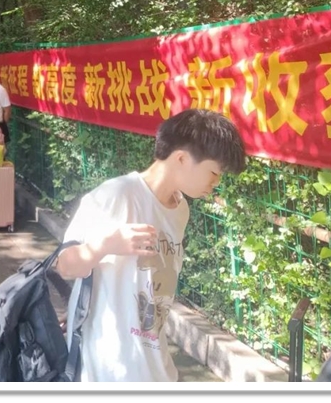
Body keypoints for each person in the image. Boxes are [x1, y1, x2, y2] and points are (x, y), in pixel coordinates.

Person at [55, 109, 246, 382]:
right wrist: (108, 244)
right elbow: (64, 265)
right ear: (181, 158)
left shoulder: (180, 209)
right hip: (108, 370)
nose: (216, 183)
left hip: (155, 366)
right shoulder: (117, 194)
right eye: (214, 172)